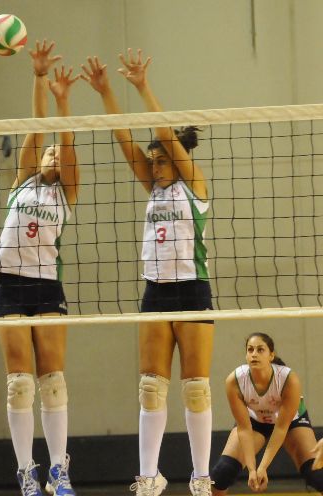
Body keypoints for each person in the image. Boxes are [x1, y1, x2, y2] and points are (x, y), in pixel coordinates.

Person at [82, 49, 214, 496]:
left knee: (195, 389)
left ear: (176, 160)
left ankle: (200, 477)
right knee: (151, 388)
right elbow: (124, 138)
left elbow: (162, 133)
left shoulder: (193, 186)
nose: (154, 166)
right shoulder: (152, 188)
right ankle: (149, 476)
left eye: (162, 160)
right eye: (152, 162)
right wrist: (106, 92)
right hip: (156, 291)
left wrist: (142, 86)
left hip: (192, 290)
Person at [0, 40, 80, 496]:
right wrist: (40, 78)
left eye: (58, 157)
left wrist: (66, 104)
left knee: (53, 382)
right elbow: (39, 130)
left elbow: (65, 141)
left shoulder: (66, 192)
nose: (53, 157)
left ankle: (58, 471)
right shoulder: (23, 180)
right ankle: (26, 472)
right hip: (10, 282)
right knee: (19, 385)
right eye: (48, 154)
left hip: (46, 284)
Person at [210, 332, 323, 494]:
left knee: (317, 475)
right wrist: (252, 470)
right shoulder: (234, 380)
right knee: (222, 472)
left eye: (260, 349)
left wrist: (262, 467)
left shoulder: (288, 379)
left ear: (271, 355)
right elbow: (244, 428)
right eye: (250, 350)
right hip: (254, 421)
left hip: (290, 422)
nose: (254, 354)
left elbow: (281, 428)